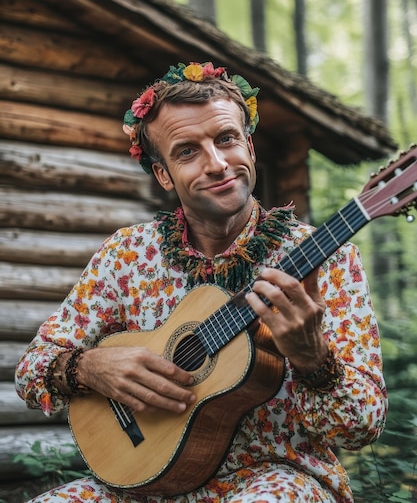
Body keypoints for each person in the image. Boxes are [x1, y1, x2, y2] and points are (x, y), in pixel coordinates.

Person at [16, 61, 387, 503]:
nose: (216, 164)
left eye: (226, 139)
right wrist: (88, 367)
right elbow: (32, 369)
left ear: (249, 147)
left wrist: (314, 360)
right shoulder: (127, 255)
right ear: (163, 175)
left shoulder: (325, 257)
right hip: (144, 486)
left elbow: (361, 427)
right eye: (187, 151)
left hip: (277, 476)